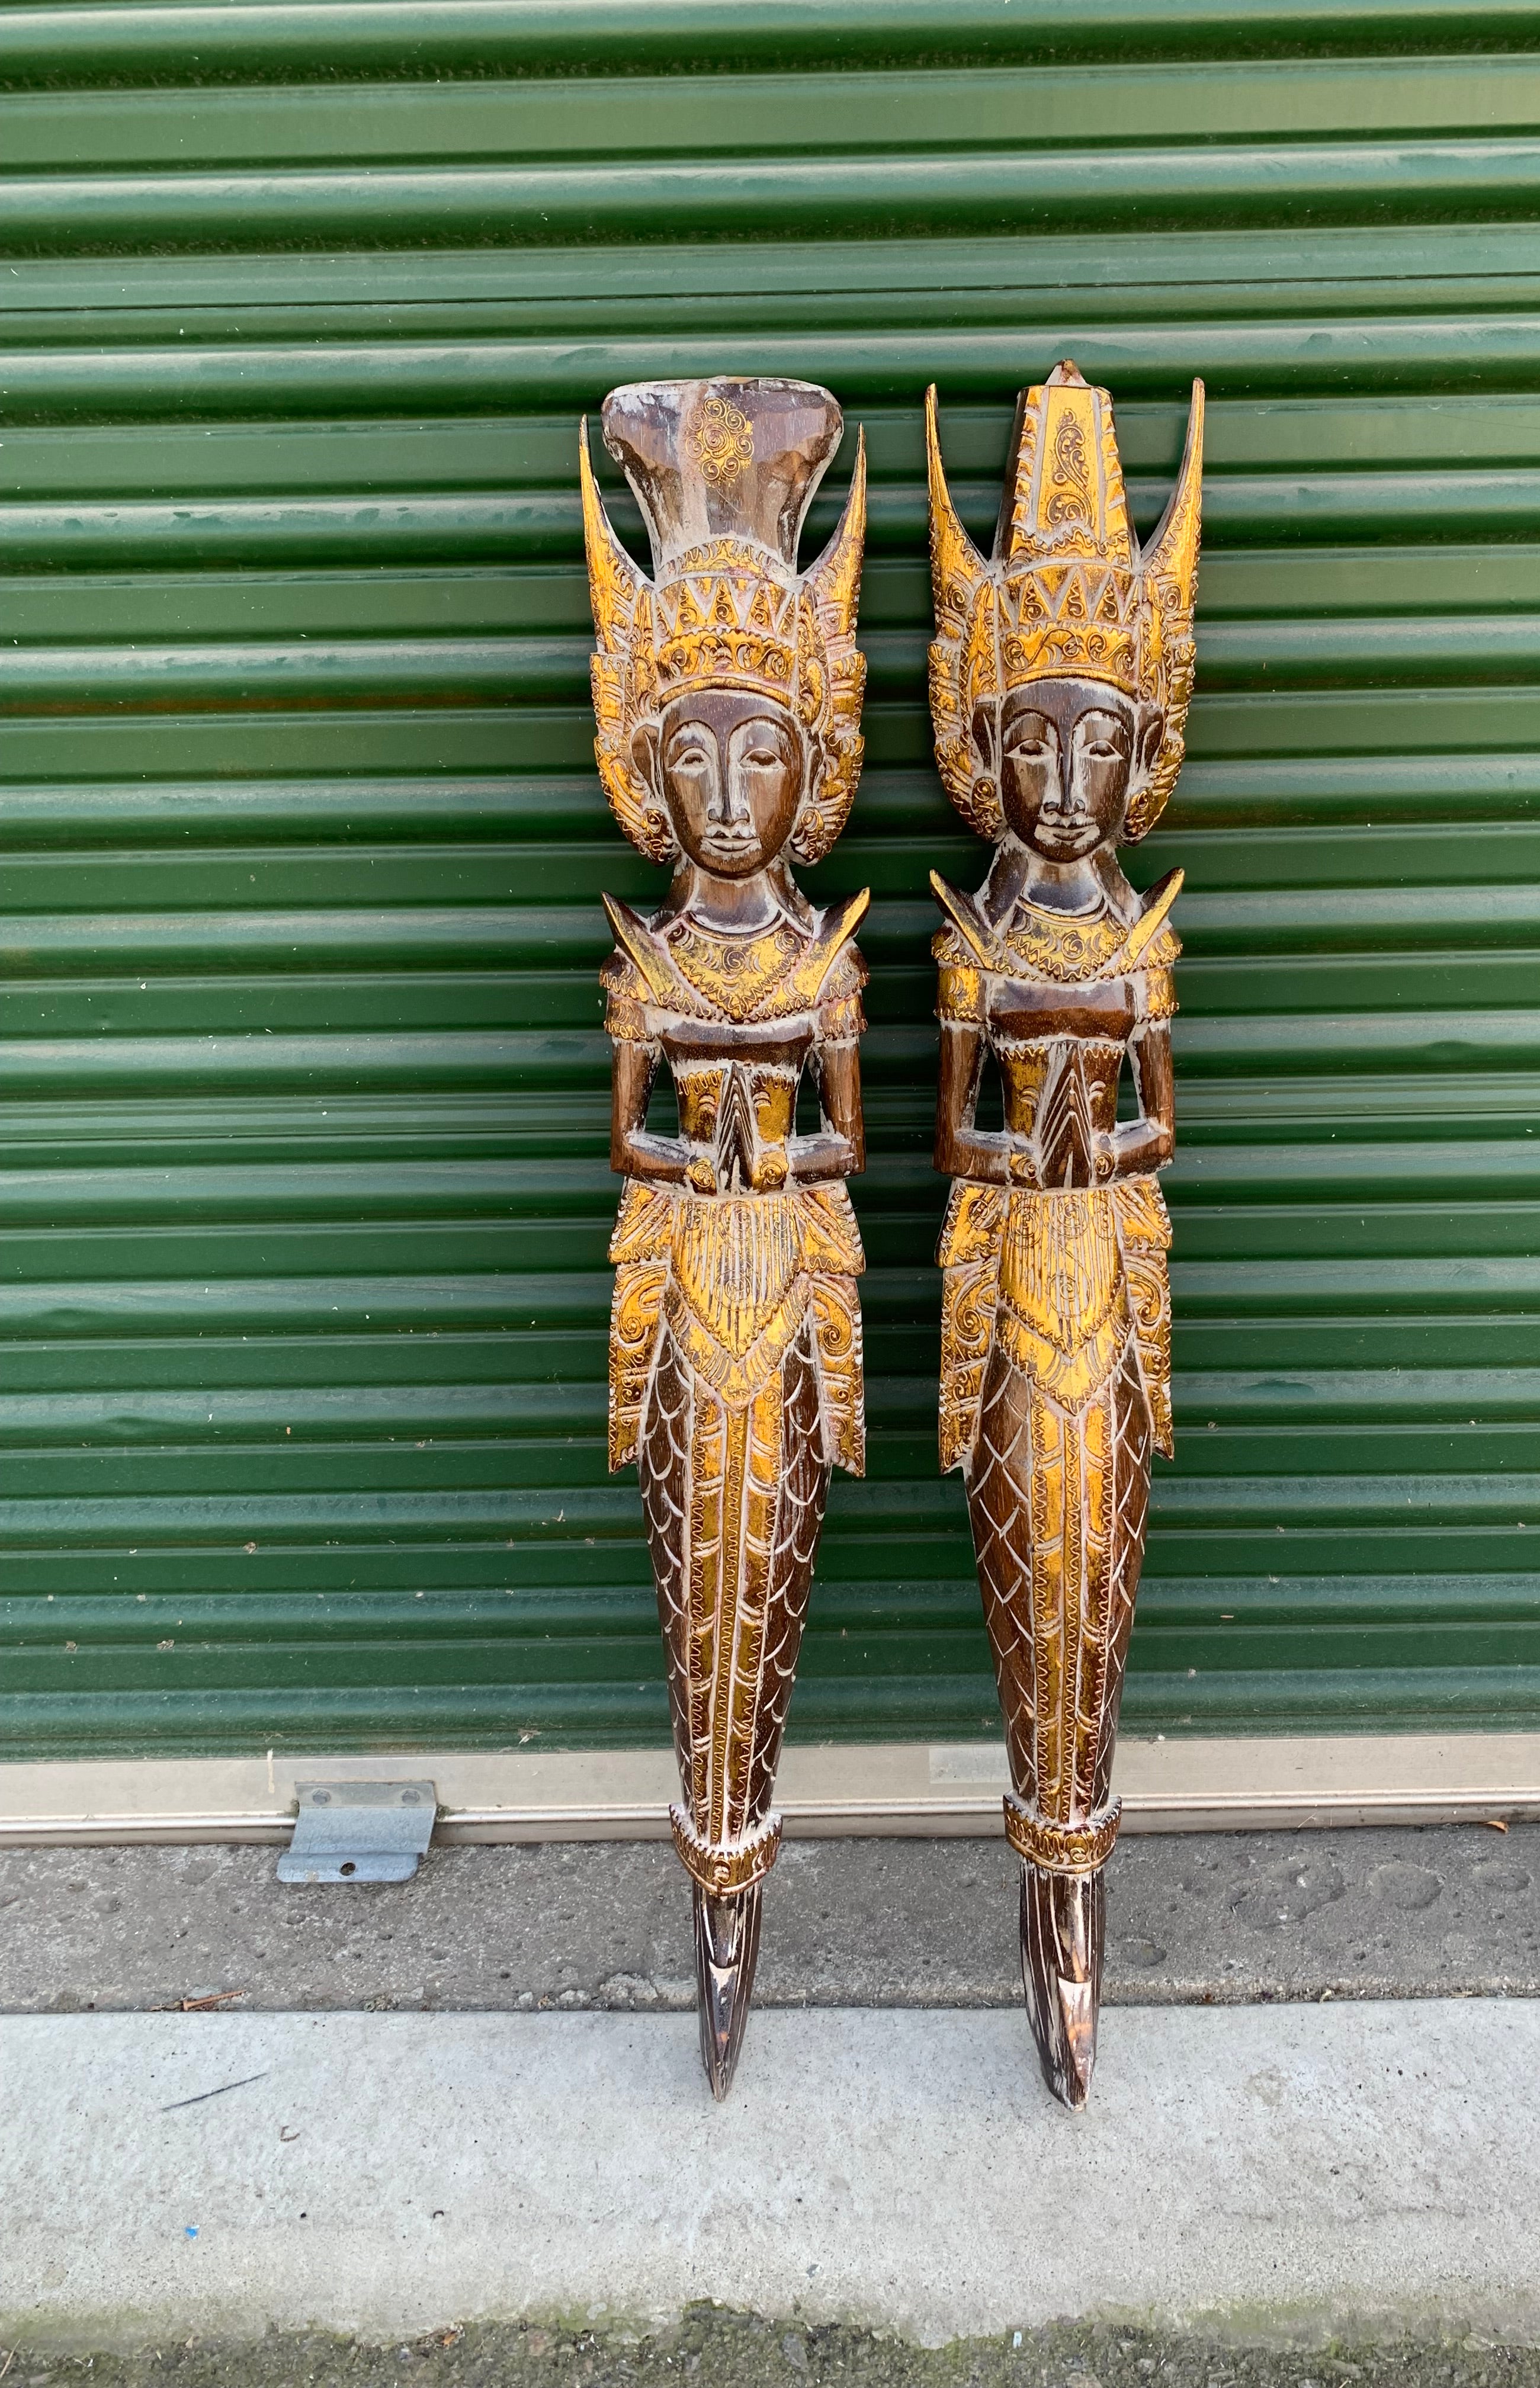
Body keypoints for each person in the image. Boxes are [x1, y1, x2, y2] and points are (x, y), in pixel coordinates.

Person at [584, 377, 870, 2098]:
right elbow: (624, 1124)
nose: (728, 785)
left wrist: (771, 1106)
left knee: (773, 1544)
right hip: (689, 1270)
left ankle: (740, 1879)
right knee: (703, 1563)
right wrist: (705, 1132)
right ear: (644, 765)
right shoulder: (653, 955)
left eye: (760, 747)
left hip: (790, 1264)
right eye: (692, 750)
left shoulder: (827, 958)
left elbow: (850, 1130)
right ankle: (717, 1869)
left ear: (813, 767)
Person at [925, 361, 1203, 2107]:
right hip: (1010, 1263)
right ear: (986, 747)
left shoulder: (1139, 938)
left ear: (1146, 749)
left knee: (1099, 1563)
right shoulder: (972, 938)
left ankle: (1076, 1874)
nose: (1067, 772)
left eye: (1098, 736)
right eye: (1036, 734)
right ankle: (1048, 1875)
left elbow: (1170, 1110)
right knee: (1029, 1537)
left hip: (1115, 1263)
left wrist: (1108, 1135)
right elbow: (949, 1120)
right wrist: (1020, 1147)